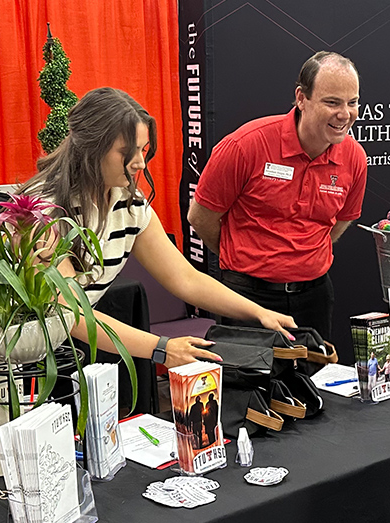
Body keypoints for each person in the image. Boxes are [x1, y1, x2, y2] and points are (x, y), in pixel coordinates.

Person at [23, 87, 296, 368]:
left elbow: (185, 278)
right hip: (19, 358)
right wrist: (162, 348)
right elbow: (72, 312)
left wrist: (259, 312)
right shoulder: (42, 212)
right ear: (92, 147)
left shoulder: (129, 204)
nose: (140, 162)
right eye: (127, 152)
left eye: (143, 149)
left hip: (63, 351)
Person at [188, 51, 368, 339]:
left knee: (312, 381)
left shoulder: (355, 157)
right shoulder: (245, 145)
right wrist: (246, 255)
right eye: (332, 102)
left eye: (353, 102)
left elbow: (340, 222)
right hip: (247, 298)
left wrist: (302, 254)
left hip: (314, 297)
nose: (344, 114)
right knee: (250, 383)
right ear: (301, 98)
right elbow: (200, 217)